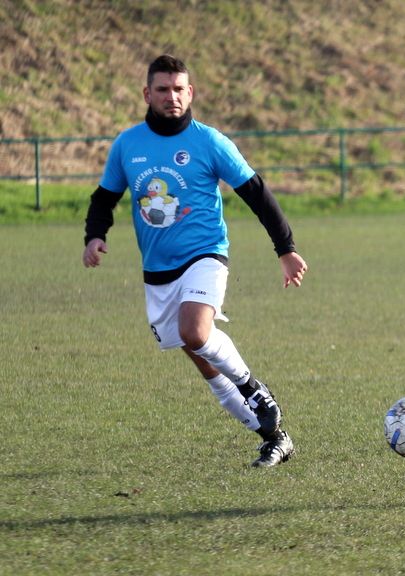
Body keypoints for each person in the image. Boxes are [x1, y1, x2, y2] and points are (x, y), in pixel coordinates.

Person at [82, 55, 308, 468]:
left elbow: (256, 192)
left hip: (206, 254)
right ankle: (275, 438)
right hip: (157, 270)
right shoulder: (127, 145)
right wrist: (95, 236)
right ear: (147, 94)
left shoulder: (209, 142)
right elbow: (104, 197)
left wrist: (285, 248)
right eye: (163, 89)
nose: (172, 96)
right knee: (203, 360)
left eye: (179, 89)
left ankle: (253, 387)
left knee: (195, 331)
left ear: (191, 93)